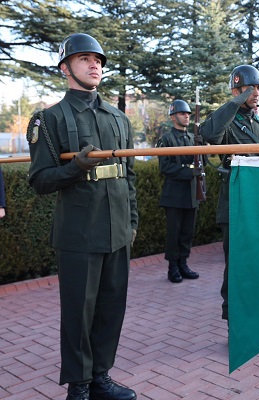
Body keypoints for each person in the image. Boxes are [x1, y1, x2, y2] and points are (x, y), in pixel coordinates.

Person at [27, 33, 138, 400]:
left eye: (99, 60)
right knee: (79, 313)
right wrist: (76, 167)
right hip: (78, 233)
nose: (95, 65)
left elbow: (129, 176)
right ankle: (78, 385)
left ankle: (100, 378)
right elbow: (40, 180)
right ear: (65, 68)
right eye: (85, 58)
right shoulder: (49, 119)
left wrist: (132, 222)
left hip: (118, 230)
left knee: (110, 309)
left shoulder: (119, 118)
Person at [201, 64, 259, 322]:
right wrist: (235, 102)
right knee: (238, 266)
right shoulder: (227, 120)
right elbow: (209, 134)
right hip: (237, 203)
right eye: (249, 88)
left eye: (258, 88)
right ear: (236, 90)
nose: (255, 93)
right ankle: (235, 320)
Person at [157, 100, 201, 283]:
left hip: (191, 193)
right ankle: (172, 267)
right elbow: (165, 167)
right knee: (174, 233)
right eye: (183, 114)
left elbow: (201, 163)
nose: (187, 116)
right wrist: (190, 172)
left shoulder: (193, 138)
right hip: (174, 194)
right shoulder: (166, 139)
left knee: (186, 233)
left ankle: (183, 263)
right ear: (173, 116)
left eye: (188, 114)